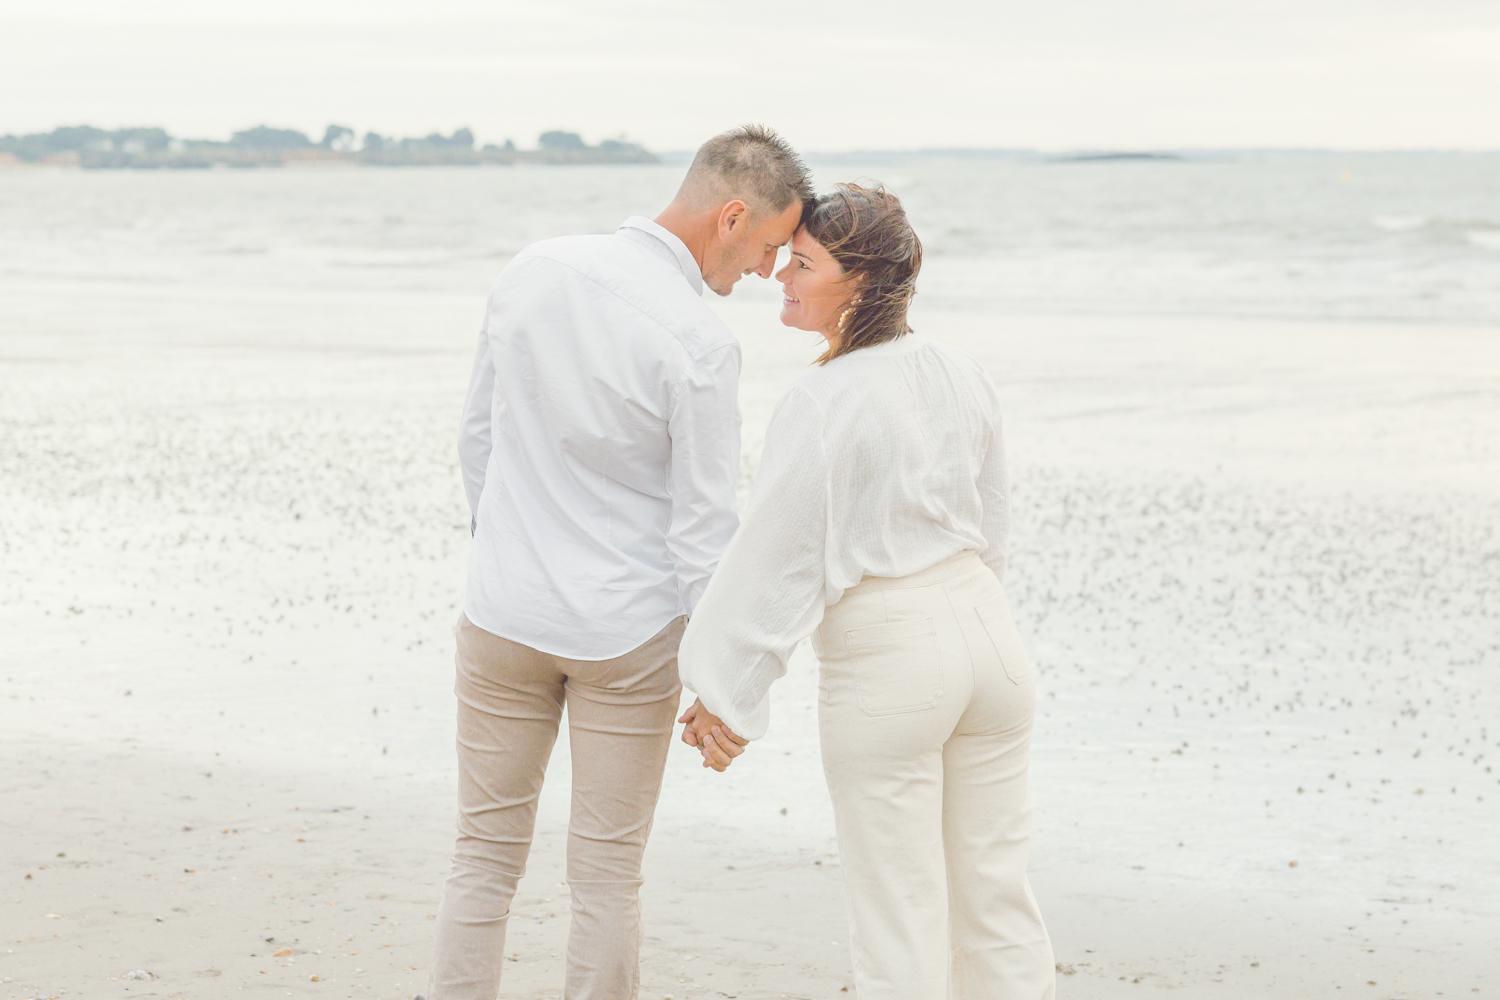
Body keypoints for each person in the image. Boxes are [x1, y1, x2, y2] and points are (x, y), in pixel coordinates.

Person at [429, 125, 811, 1000]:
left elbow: (477, 439)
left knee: (481, 857)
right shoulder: (700, 344)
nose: (766, 270)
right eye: (767, 246)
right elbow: (702, 532)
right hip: (626, 639)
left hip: (502, 617)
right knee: (605, 878)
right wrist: (720, 678)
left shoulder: (533, 269)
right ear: (730, 217)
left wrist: (508, 553)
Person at [677, 183, 1056, 999]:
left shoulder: (822, 398)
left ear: (860, 281)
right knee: (996, 899)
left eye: (803, 264)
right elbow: (992, 522)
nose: (781, 276)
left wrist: (724, 691)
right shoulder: (961, 371)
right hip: (991, 641)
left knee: (898, 915)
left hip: (892, 660)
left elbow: (780, 557)